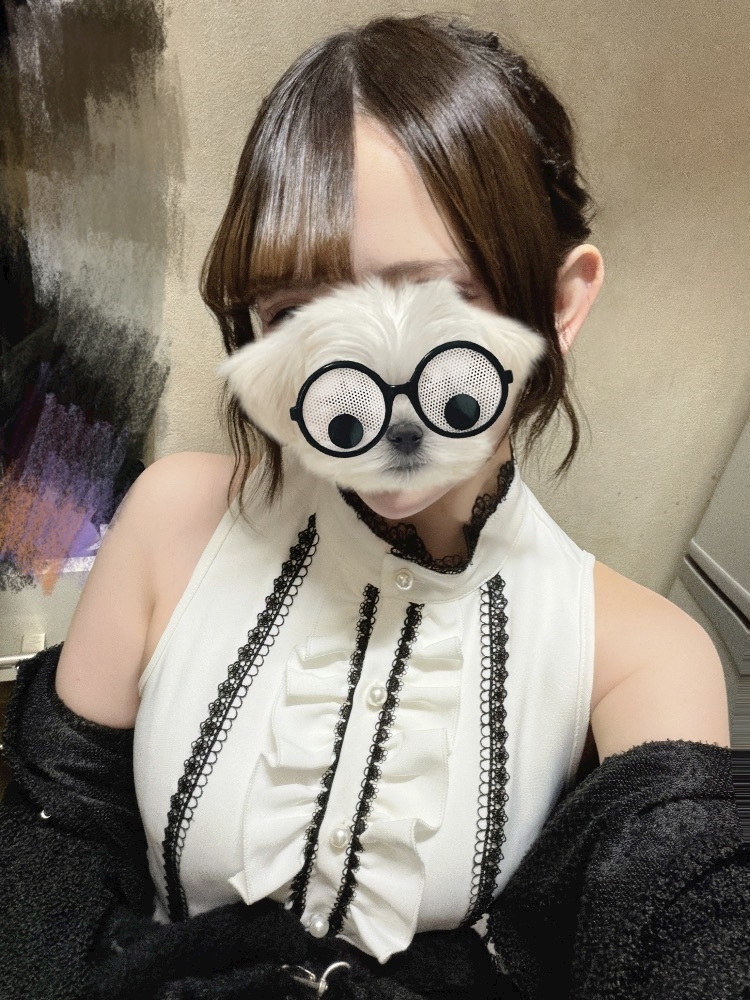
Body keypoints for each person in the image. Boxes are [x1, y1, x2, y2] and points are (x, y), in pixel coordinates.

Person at [2, 13, 746, 1000]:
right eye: (295, 312)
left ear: (560, 303)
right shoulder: (171, 517)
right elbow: (53, 842)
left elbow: (687, 911)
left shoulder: (643, 653)